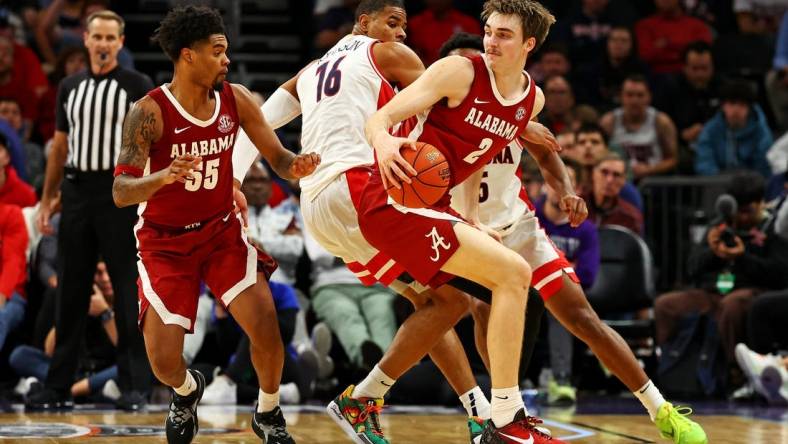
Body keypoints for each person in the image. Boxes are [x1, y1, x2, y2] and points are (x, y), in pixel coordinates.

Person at [111, 6, 319, 443]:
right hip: (164, 243)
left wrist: (296, 166)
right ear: (188, 55)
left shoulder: (237, 98)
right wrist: (163, 176)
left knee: (266, 323)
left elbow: (278, 157)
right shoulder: (147, 113)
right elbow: (121, 192)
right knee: (164, 362)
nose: (227, 60)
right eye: (218, 51)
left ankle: (268, 412)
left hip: (222, 230)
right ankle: (187, 393)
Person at [28, 9, 152, 413]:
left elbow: (148, 146)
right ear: (85, 39)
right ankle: (58, 384)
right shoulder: (69, 86)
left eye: (109, 38)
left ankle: (135, 384)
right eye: (96, 37)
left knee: (125, 285)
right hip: (77, 189)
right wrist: (49, 198)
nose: (102, 44)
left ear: (120, 42)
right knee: (71, 289)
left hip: (118, 191)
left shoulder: (137, 84)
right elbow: (60, 147)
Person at [600, 75, 678, 181]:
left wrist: (650, 169)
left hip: (653, 183)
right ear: (621, 97)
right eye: (629, 95)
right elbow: (599, 156)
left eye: (640, 95)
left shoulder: (662, 122)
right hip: (617, 182)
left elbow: (672, 159)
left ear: (649, 97)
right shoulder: (609, 122)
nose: (634, 100)